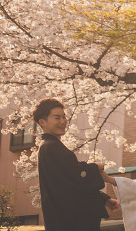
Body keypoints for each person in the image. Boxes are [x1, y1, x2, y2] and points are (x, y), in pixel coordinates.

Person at [33, 97, 119, 231]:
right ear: (42, 122)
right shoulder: (51, 147)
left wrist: (103, 199)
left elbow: (69, 182)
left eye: (64, 117)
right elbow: (77, 177)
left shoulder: (49, 146)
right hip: (71, 222)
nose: (63, 121)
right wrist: (95, 167)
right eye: (57, 118)